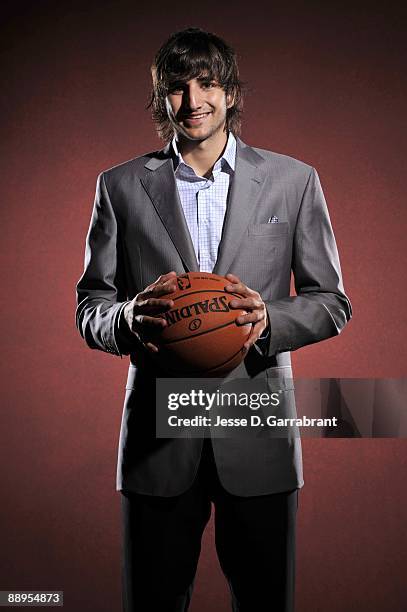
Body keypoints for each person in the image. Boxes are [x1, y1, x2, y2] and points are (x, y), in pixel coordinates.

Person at [76, 27, 352, 612]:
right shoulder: (120, 186)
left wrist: (268, 321)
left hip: (258, 433)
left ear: (230, 93)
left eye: (207, 84)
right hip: (158, 439)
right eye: (176, 87)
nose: (193, 100)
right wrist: (127, 318)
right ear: (161, 98)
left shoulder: (293, 181)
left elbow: (332, 301)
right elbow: (91, 308)